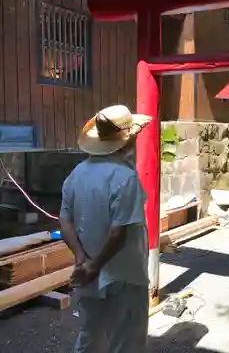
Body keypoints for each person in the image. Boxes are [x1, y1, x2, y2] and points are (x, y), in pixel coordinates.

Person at [59, 105, 152, 353]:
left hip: (88, 274)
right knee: (126, 342)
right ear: (127, 141)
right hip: (124, 275)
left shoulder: (77, 173)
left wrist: (82, 259)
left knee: (90, 338)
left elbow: (64, 220)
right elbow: (117, 232)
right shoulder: (124, 178)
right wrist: (95, 264)